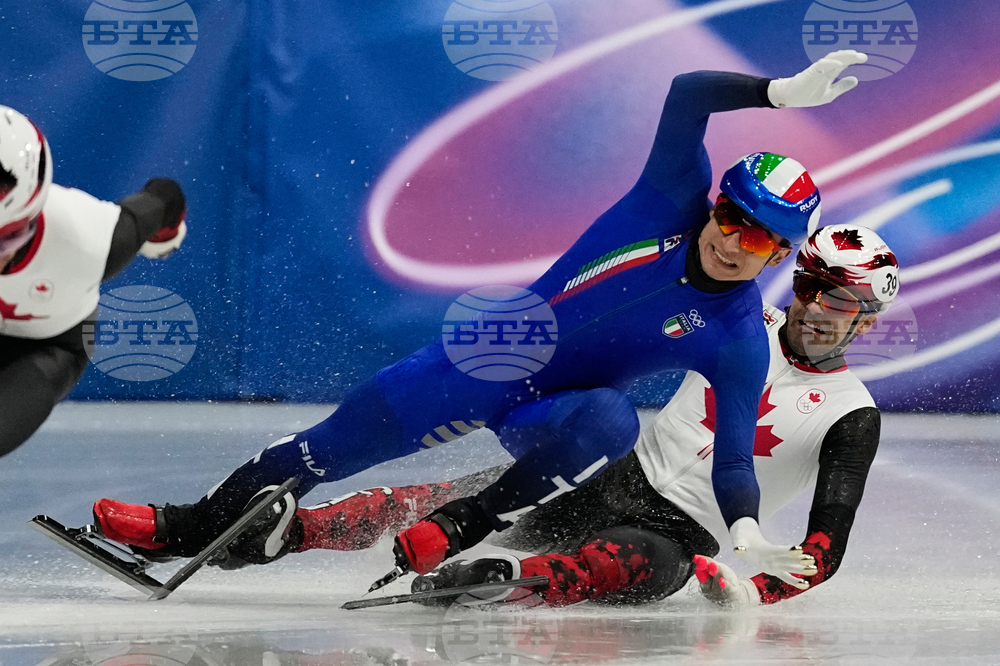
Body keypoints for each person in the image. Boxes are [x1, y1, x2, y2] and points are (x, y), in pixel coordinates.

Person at [93, 51, 868, 586]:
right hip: (490, 355)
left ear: (781, 256)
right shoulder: (669, 191)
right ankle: (188, 528)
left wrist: (747, 536)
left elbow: (735, 460)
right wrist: (780, 94)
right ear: (717, 203)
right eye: (735, 220)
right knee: (324, 451)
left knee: (609, 422)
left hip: (554, 415)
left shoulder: (737, 337)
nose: (739, 245)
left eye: (765, 240)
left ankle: (465, 523)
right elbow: (686, 92)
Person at [232, 223, 897, 608]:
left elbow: (825, 549)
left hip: (677, 537)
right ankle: (281, 529)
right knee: (453, 501)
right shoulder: (741, 326)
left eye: (837, 302)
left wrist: (754, 592)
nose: (814, 309)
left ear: (866, 322)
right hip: (604, 479)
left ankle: (503, 581)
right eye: (809, 287)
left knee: (624, 561)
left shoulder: (853, 414)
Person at [0, 106, 187, 457]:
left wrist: (165, 234)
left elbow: (165, 195)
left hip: (49, 346)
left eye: (4, 240)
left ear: (33, 215)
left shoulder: (92, 237)